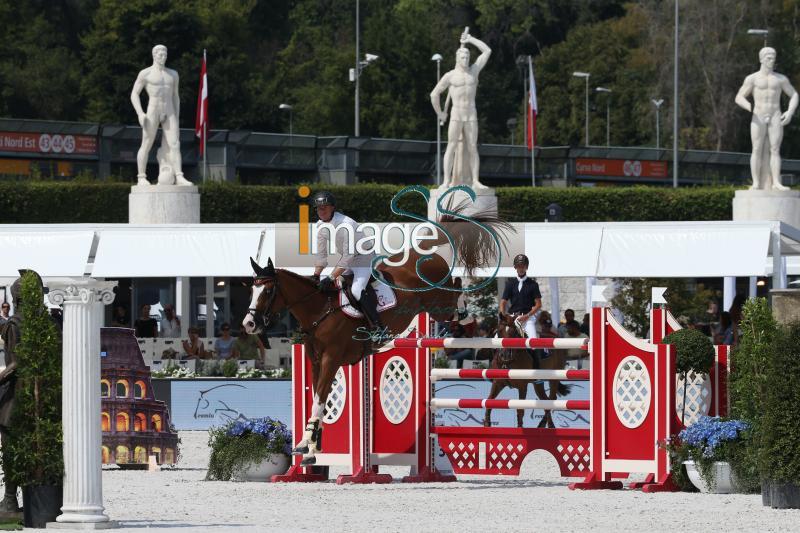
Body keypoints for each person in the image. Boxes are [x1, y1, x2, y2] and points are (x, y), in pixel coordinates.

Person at [311, 190, 382, 334]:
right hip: (349, 259)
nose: (321, 211)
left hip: (364, 257)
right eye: (318, 208)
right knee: (336, 287)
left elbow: (348, 256)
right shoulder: (319, 226)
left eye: (324, 207)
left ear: (332, 207)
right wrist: (315, 276)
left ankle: (378, 327)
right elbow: (321, 255)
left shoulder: (346, 224)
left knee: (356, 290)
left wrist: (330, 276)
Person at [430, 28, 491, 189]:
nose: (465, 59)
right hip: (456, 115)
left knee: (472, 147)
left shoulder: (474, 71)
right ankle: (445, 181)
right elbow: (434, 94)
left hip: (471, 114)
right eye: (462, 56)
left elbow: (487, 51)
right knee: (451, 146)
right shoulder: (450, 75)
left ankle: (475, 180)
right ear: (457, 58)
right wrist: (441, 114)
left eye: (467, 56)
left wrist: (470, 39)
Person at [735, 47, 799, 190]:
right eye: (769, 58)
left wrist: (790, 112)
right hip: (758, 115)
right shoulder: (752, 78)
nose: (772, 60)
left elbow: (794, 94)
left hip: (775, 114)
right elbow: (739, 97)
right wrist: (749, 106)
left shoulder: (781, 79)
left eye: (774, 57)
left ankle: (776, 181)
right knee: (756, 149)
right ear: (761, 59)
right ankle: (756, 182)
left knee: (775, 149)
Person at [130, 44, 192, 187]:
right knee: (146, 144)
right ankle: (141, 177)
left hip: (169, 110)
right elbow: (134, 94)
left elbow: (176, 96)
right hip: (152, 110)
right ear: (154, 55)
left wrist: (176, 115)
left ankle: (179, 175)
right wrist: (140, 113)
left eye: (165, 55)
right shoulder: (145, 73)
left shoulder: (173, 74)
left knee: (175, 144)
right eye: (160, 55)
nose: (163, 57)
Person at [499, 254, 542, 339]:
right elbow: (503, 302)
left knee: (533, 341)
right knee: (498, 336)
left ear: (527, 267)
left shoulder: (533, 284)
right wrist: (504, 316)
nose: (521, 268)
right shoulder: (510, 284)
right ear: (515, 267)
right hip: (512, 318)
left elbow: (538, 305)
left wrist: (527, 316)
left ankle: (537, 351)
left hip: (527, 318)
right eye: (519, 266)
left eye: (523, 266)